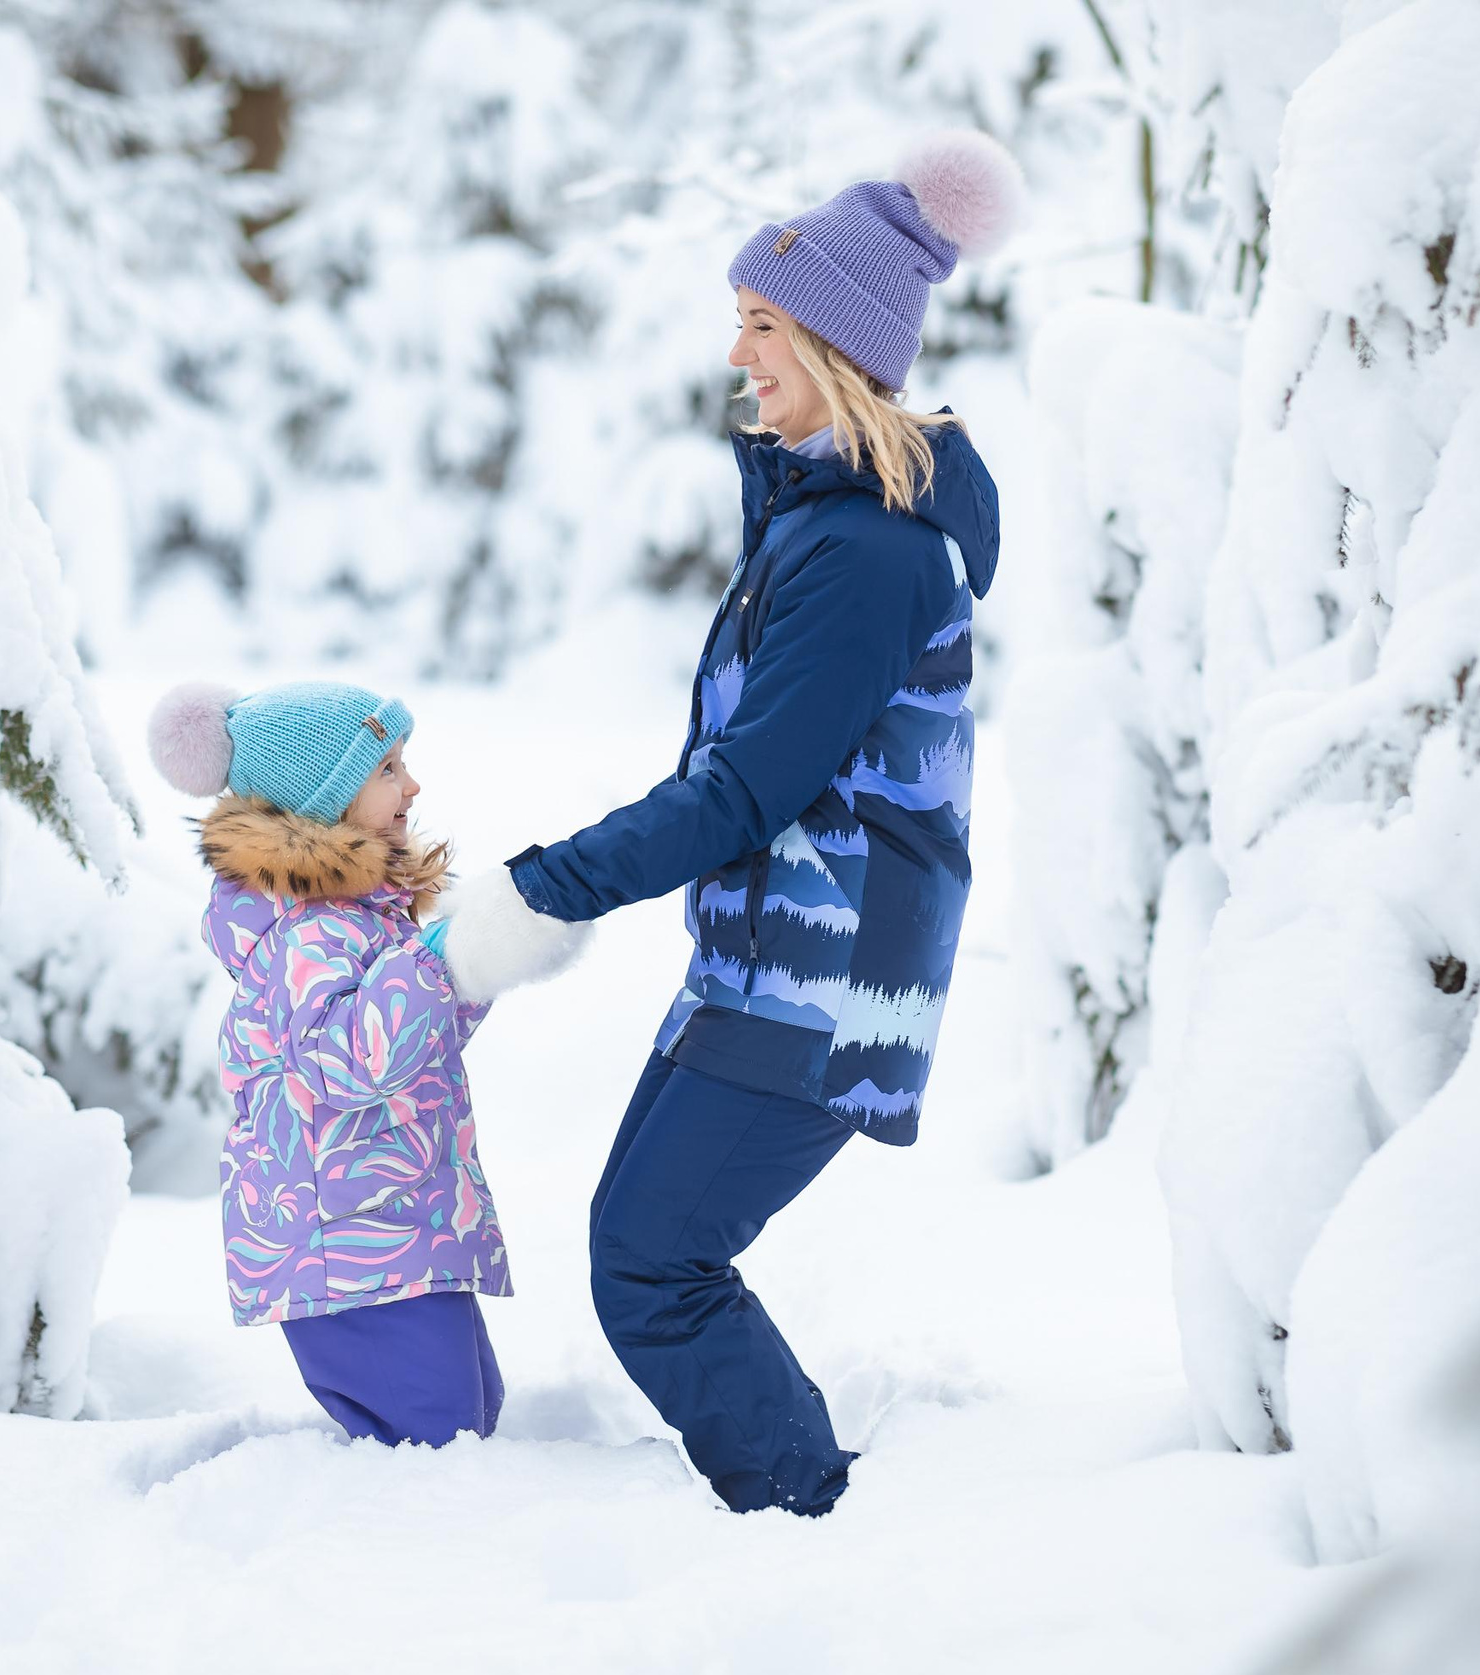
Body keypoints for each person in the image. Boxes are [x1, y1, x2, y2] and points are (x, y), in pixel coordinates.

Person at [446, 132, 1019, 1514]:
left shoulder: (871, 551)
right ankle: (800, 1500)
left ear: (833, 344)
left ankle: (810, 1516)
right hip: (768, 961)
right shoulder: (821, 531)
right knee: (639, 1244)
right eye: (739, 322)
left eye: (762, 324)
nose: (737, 355)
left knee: (652, 1259)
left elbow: (746, 787)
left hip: (825, 979)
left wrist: (546, 889)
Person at [146, 679, 589, 1446]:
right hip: (346, 1245)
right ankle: (390, 1556)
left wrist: (481, 955)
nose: (412, 784)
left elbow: (412, 1033)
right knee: (436, 1439)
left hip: (390, 1226)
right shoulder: (301, 930)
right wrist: (443, 957)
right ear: (325, 796)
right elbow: (349, 1055)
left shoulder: (355, 912)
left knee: (469, 1413)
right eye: (386, 769)